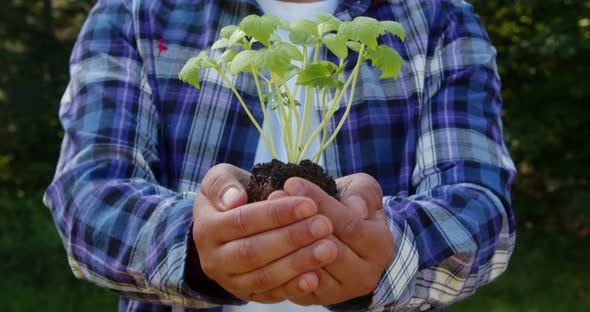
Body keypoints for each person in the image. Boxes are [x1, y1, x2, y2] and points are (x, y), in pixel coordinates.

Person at [43, 0, 517, 311]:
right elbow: (87, 188)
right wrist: (190, 245)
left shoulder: (440, 19)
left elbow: (480, 204)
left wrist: (390, 250)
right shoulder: (134, 11)